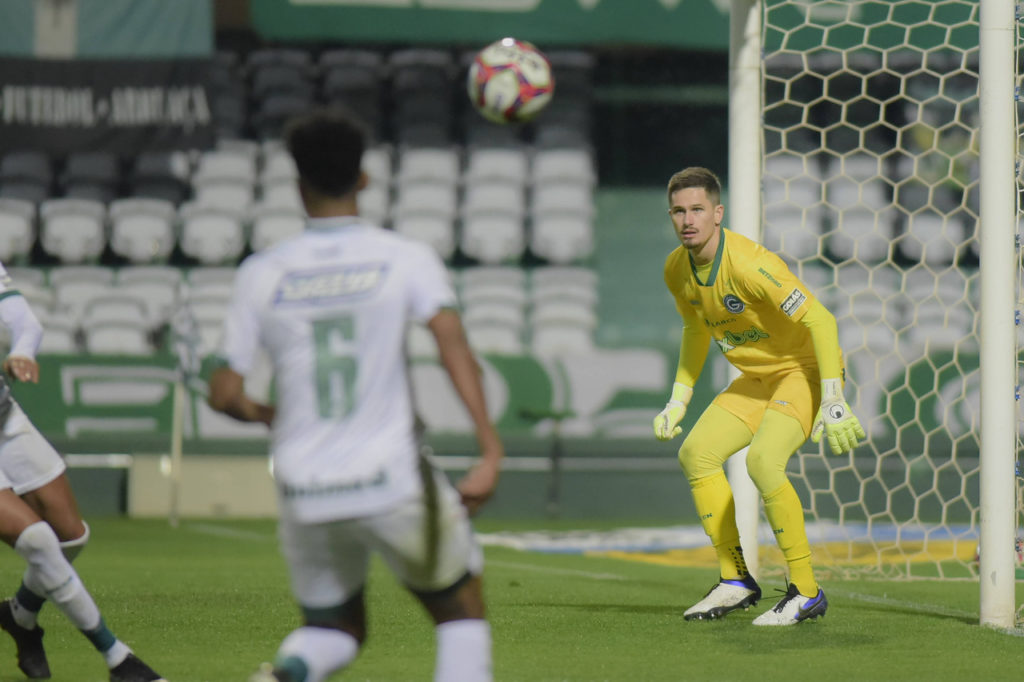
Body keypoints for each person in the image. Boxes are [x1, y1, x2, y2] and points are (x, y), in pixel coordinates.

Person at [207, 107, 504, 682]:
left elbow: (223, 392)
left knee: (333, 628)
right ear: (364, 179)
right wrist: (489, 449)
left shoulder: (262, 272)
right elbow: (450, 340)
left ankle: (287, 673)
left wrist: (271, 414)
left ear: (298, 187)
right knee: (460, 610)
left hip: (302, 482)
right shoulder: (403, 256)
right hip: (389, 476)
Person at [652, 167, 865, 626]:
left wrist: (832, 398)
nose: (688, 220)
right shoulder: (676, 270)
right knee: (697, 455)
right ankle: (734, 581)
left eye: (697, 210)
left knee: (763, 462)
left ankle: (806, 591)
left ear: (717, 213)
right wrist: (678, 400)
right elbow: (694, 328)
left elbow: (822, 321)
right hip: (758, 378)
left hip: (803, 372)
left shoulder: (750, 265)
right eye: (678, 211)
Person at [0, 267, 166, 681]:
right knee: (38, 540)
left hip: (3, 416)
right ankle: (119, 661)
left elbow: (25, 321)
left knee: (70, 535)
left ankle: (19, 615)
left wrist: (22, 351)